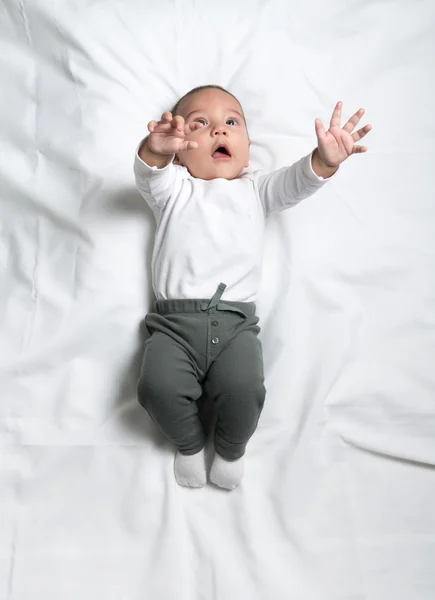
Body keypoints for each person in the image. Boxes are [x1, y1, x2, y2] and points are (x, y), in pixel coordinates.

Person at [133, 85, 371, 490]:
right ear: (180, 148)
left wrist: (323, 161)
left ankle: (230, 447)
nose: (219, 132)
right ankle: (188, 443)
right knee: (156, 388)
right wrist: (154, 150)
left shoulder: (255, 188)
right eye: (200, 124)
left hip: (234, 326)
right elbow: (148, 173)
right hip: (174, 325)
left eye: (231, 123)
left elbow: (295, 183)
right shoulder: (173, 189)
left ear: (247, 143)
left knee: (246, 390)